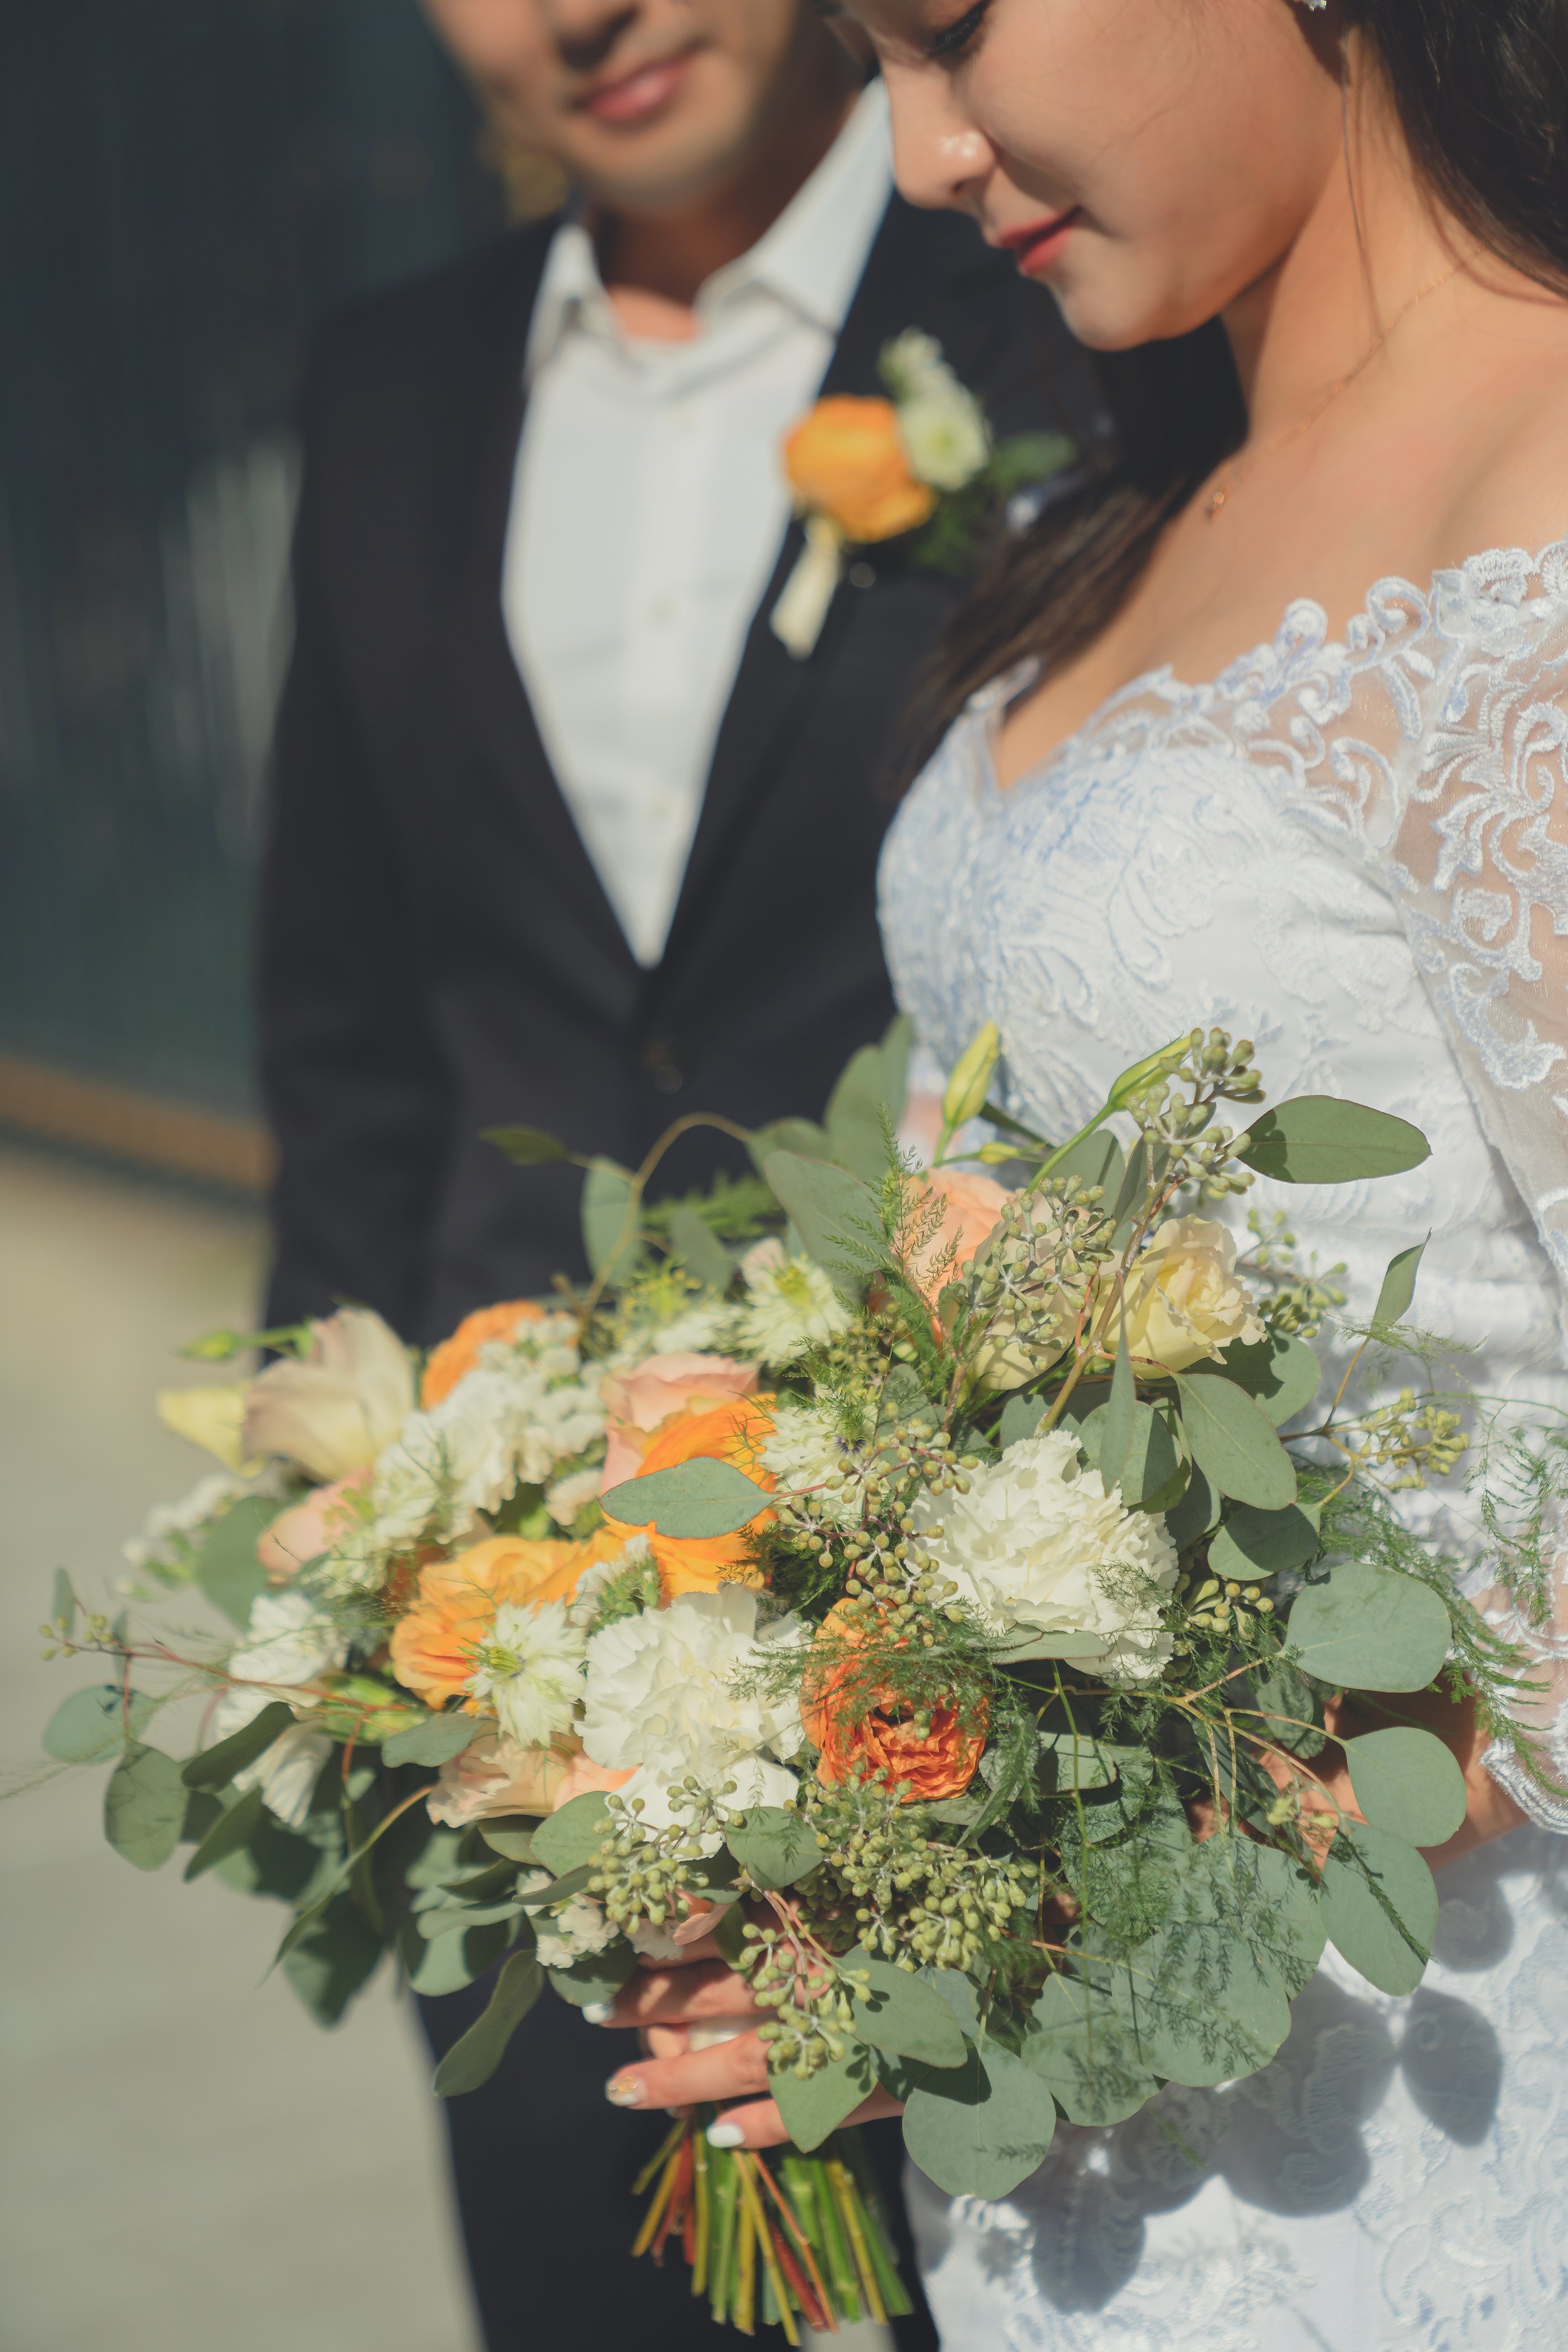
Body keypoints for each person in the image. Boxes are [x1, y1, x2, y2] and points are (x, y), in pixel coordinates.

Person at [581, 1, 1568, 2344]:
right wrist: (815, 1770)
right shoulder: (1132, 489)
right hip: (1104, 2141)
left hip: (1458, 2053)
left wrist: (1082, 1829)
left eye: (947, 32)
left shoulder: (1532, 502)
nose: (920, 150)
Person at [258, 4, 1086, 2346]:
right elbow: (347, 1019)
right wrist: (335, 1579)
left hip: (944, 1649)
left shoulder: (1055, 307)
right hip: (500, 1657)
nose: (581, 13)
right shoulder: (390, 386)